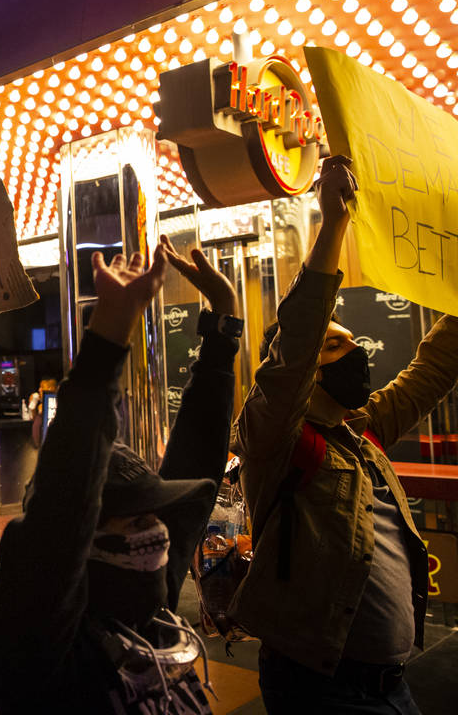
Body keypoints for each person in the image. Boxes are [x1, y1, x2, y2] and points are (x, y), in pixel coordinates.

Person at [0, 237, 243, 713]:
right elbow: (64, 503)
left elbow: (196, 455)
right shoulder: (38, 644)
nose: (154, 530)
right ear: (85, 534)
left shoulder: (149, 596)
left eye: (151, 513)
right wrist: (108, 337)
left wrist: (223, 324)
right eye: (131, 517)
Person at [230, 157, 452, 714]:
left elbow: (435, 367)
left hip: (392, 686)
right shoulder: (277, 438)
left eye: (353, 341)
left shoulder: (364, 431)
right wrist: (333, 225)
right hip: (322, 690)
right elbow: (297, 342)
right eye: (334, 346)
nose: (351, 352)